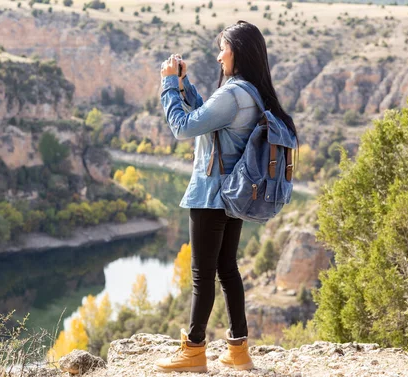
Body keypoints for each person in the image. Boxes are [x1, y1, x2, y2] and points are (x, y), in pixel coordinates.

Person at [155, 20, 299, 373]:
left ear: (239, 53)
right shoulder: (250, 92)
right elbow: (210, 116)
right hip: (234, 196)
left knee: (202, 275)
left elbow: (183, 127)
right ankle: (238, 349)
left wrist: (167, 86)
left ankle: (193, 350)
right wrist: (185, 84)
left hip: (210, 196)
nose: (219, 57)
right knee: (227, 269)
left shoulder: (233, 93)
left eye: (223, 49)